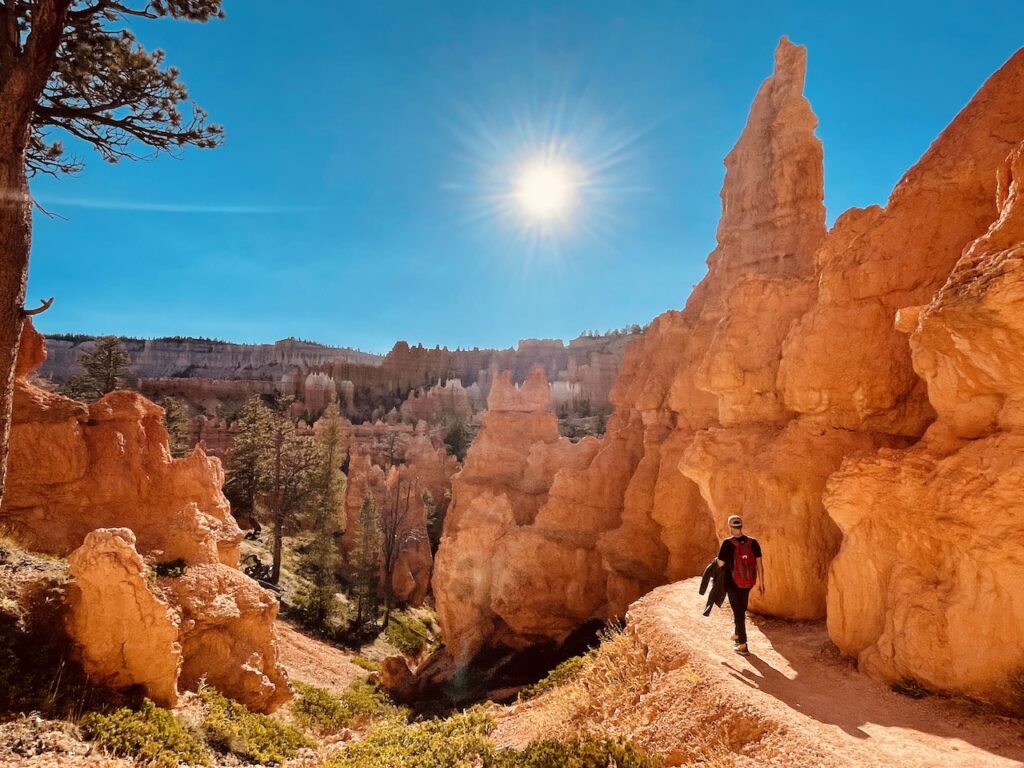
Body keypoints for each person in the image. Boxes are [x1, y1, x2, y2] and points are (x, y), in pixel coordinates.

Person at [716, 514, 764, 655]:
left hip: (732, 583)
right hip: (748, 582)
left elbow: (720, 563)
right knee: (741, 610)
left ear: (730, 527)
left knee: (738, 613)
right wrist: (762, 583)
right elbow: (759, 565)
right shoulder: (753, 542)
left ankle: (742, 645)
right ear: (741, 526)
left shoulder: (727, 543)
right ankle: (737, 635)